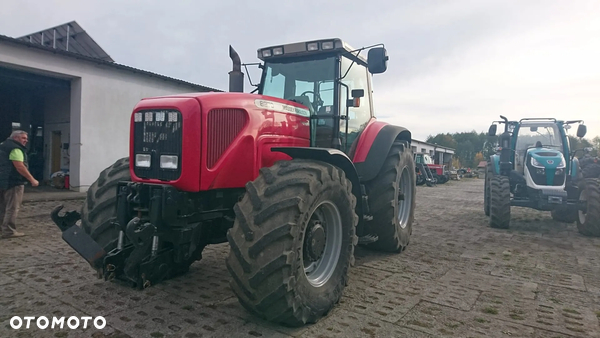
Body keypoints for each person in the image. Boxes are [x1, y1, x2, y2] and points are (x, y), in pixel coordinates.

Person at [0, 130, 39, 239]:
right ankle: (9, 231)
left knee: (2, 207)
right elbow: (19, 166)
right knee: (12, 207)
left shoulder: (2, 145)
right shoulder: (15, 148)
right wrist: (32, 179)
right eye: (23, 138)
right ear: (16, 138)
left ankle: (2, 228)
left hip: (1, 180)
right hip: (13, 181)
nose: (26, 141)